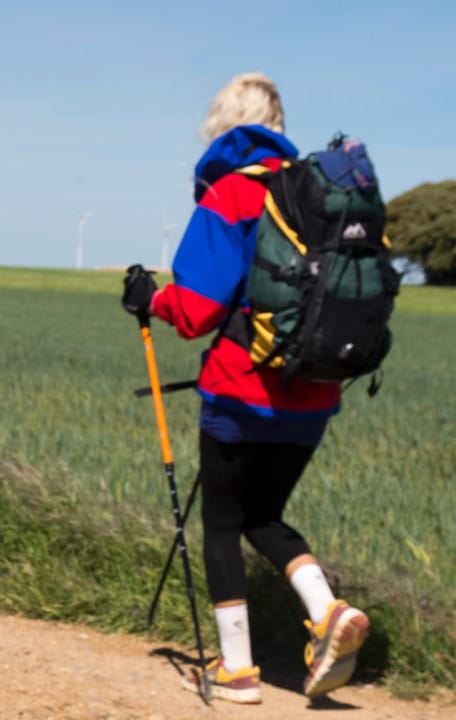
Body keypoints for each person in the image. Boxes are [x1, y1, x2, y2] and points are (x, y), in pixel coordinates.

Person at [120, 72, 369, 704]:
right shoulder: (315, 195)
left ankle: (238, 669)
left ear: (222, 127)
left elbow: (198, 309)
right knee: (266, 514)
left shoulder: (232, 193)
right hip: (314, 392)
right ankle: (328, 610)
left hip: (239, 391)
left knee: (225, 522)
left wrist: (151, 298)